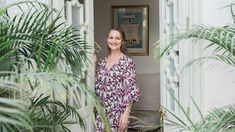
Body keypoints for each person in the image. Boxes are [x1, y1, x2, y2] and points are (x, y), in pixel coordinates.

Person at [95, 27, 140, 132]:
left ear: (122, 42)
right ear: (107, 40)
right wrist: (93, 65)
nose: (114, 41)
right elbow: (95, 85)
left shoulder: (127, 62)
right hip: (101, 112)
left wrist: (126, 114)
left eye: (117, 38)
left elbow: (131, 89)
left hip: (118, 112)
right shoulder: (102, 62)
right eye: (111, 38)